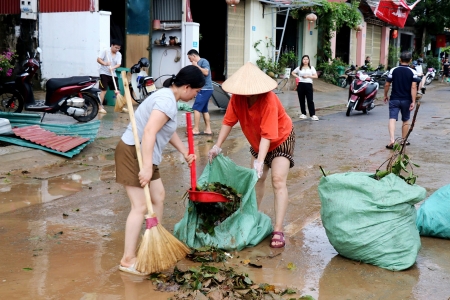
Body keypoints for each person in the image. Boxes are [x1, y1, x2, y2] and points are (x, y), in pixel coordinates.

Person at [115, 65, 205, 275]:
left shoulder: (168, 98)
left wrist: (184, 151)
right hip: (133, 151)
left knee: (158, 196)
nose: (195, 96)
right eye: (196, 92)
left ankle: (152, 245)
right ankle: (127, 259)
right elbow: (148, 132)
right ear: (187, 87)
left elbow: (166, 129)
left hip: (145, 154)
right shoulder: (166, 100)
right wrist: (146, 167)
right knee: (139, 206)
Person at [208, 62, 295, 248]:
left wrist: (260, 161)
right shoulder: (237, 99)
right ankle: (252, 218)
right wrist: (217, 146)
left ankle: (278, 229)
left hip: (280, 138)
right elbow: (228, 122)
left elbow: (268, 135)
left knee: (278, 180)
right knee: (256, 180)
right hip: (257, 140)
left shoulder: (269, 100)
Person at [384, 51, 421, 149]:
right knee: (405, 120)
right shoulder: (413, 72)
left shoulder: (393, 70)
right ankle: (404, 141)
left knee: (392, 118)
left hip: (394, 99)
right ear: (410, 60)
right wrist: (413, 101)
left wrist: (385, 95)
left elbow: (387, 84)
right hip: (406, 100)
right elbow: (414, 87)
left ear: (400, 60)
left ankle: (392, 140)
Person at [187, 49, 214, 135]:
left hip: (205, 89)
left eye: (190, 58)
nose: (190, 60)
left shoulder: (203, 61)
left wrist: (196, 66)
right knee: (204, 110)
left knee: (196, 108)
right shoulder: (197, 64)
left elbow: (206, 72)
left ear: (194, 56)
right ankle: (208, 129)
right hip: (203, 89)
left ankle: (195, 129)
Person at [97, 40, 124, 114]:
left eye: (119, 48)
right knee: (104, 90)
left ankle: (120, 106)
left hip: (113, 74)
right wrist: (105, 63)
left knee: (116, 90)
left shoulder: (119, 54)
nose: (117, 50)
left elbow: (118, 64)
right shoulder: (105, 51)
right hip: (104, 73)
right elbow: (98, 59)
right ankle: (100, 107)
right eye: (116, 48)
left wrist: (113, 68)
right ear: (112, 45)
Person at [291, 55, 319, 121]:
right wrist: (298, 77)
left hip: (308, 84)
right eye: (304, 59)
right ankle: (303, 113)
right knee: (301, 100)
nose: (305, 60)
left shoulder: (311, 68)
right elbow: (293, 72)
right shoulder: (299, 68)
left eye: (307, 59)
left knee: (310, 100)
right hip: (301, 84)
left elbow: (316, 76)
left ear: (308, 60)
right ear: (302, 60)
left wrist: (308, 76)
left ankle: (312, 114)